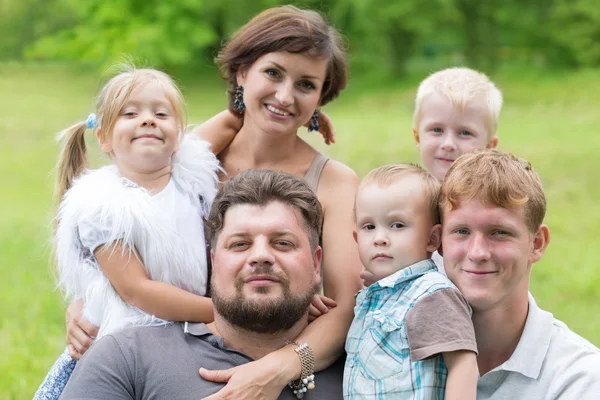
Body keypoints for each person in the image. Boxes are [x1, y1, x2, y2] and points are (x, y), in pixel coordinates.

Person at [60, 170, 346, 400]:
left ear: (316, 264)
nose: (260, 256)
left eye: (282, 243)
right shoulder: (128, 357)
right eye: (240, 244)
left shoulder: (365, 362)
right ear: (213, 261)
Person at [33, 66, 220, 400]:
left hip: (194, 332)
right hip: (127, 344)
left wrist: (312, 112)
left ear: (178, 135)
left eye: (161, 113)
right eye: (130, 113)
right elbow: (138, 290)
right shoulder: (103, 207)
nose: (147, 120)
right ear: (104, 137)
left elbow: (235, 120)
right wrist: (225, 312)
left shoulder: (192, 181)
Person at [440, 149, 600, 399]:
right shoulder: (398, 352)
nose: (478, 252)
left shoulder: (579, 378)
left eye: (499, 232)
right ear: (437, 241)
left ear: (537, 243)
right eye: (461, 231)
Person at [344, 164, 478, 399]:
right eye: (369, 227)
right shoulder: (376, 296)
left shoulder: (430, 294)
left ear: (432, 238)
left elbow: (463, 365)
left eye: (397, 225)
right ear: (356, 237)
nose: (380, 238)